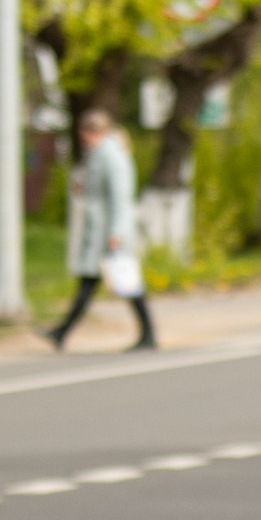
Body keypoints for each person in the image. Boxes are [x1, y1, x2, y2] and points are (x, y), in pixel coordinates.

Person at [46, 107, 155, 352]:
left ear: (91, 131)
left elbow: (120, 198)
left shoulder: (111, 155)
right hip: (101, 232)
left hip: (110, 233)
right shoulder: (98, 153)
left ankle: (147, 333)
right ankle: (62, 331)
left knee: (123, 282)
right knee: (101, 281)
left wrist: (116, 232)